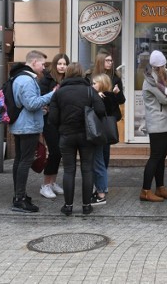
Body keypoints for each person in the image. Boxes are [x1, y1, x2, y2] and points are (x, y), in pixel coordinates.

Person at [48, 63, 105, 216]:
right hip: (86, 135)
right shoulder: (89, 90)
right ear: (81, 74)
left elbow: (52, 118)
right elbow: (101, 110)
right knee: (87, 169)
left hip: (66, 136)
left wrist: (62, 124)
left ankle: (68, 206)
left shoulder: (59, 92)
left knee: (68, 170)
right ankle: (86, 206)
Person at [9, 50, 54, 213]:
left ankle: (19, 195)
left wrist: (40, 110)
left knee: (20, 160)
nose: (43, 68)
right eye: (42, 64)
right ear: (34, 62)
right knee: (25, 161)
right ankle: (19, 199)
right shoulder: (27, 80)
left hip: (23, 124)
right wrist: (52, 94)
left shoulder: (19, 77)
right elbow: (31, 104)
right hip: (27, 127)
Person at [140, 50, 167, 202]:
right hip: (157, 123)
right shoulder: (151, 81)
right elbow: (165, 99)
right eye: (164, 66)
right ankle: (145, 191)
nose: (166, 68)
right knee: (155, 156)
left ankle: (160, 188)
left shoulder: (156, 79)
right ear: (159, 67)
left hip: (162, 122)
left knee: (161, 157)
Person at [38, 53, 69, 200]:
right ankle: (45, 185)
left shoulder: (68, 79)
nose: (62, 66)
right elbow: (41, 98)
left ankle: (53, 181)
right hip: (49, 120)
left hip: (63, 120)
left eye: (64, 64)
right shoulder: (47, 79)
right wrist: (53, 92)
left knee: (59, 152)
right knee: (55, 151)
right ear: (55, 65)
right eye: (60, 64)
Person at [90, 73, 121, 205]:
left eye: (94, 83)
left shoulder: (102, 98)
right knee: (103, 160)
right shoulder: (111, 97)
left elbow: (98, 113)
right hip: (106, 135)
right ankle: (102, 186)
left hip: (98, 133)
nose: (92, 86)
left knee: (98, 162)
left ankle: (100, 191)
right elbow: (118, 116)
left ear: (101, 84)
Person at [91, 51, 125, 168]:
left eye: (111, 60)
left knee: (105, 147)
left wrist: (116, 93)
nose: (110, 63)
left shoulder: (115, 77)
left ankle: (102, 177)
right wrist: (96, 93)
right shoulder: (90, 76)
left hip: (108, 117)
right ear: (100, 61)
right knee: (94, 148)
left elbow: (121, 100)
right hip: (93, 117)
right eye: (107, 60)